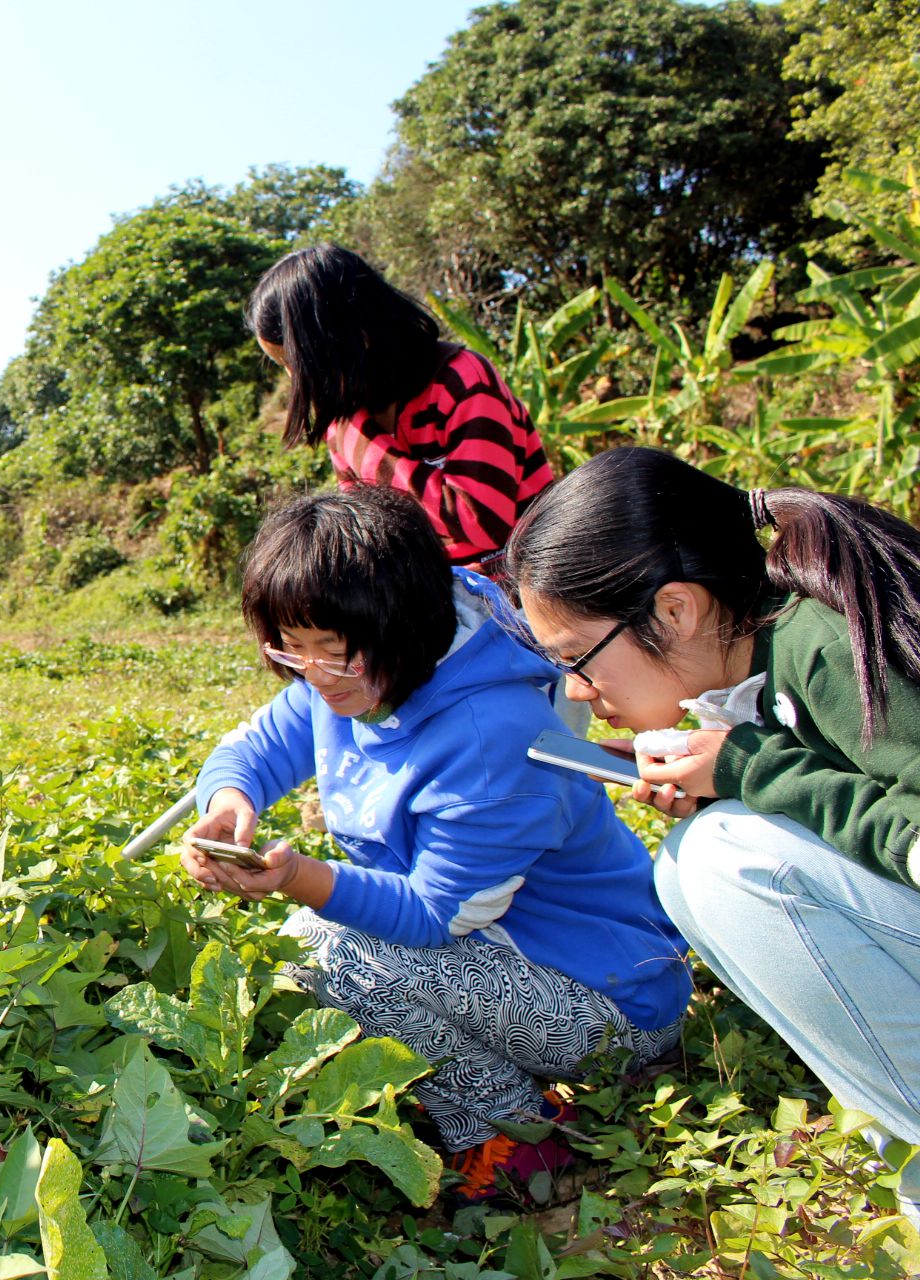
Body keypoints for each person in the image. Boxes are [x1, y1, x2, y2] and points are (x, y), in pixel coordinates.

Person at [182, 486, 690, 1204]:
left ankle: (514, 1137)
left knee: (326, 947)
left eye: (332, 653)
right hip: (500, 959)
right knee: (320, 941)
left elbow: (435, 914)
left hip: (606, 997)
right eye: (293, 652)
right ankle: (485, 1091)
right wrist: (228, 804)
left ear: (402, 625)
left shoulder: (490, 731)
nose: (315, 676)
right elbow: (254, 751)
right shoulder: (347, 666)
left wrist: (298, 875)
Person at [505, 445, 920, 1223]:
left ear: (675, 610)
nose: (577, 691)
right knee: (705, 852)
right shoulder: (762, 659)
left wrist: (754, 773)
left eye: (579, 659)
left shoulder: (826, 649)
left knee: (721, 861)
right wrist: (733, 785)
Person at [245, 244, 553, 568]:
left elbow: (482, 522)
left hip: (526, 590)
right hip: (435, 600)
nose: (294, 379)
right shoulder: (341, 424)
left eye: (294, 362)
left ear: (349, 337)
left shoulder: (459, 381)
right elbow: (367, 534)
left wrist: (366, 440)